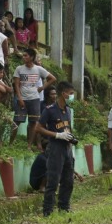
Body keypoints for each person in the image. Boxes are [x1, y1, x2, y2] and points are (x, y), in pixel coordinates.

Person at [35, 81, 76, 217]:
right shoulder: (50, 110)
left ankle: (64, 206)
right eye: (70, 94)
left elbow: (67, 127)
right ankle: (48, 210)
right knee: (53, 180)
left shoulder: (68, 110)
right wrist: (57, 135)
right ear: (63, 93)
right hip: (55, 147)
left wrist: (70, 137)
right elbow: (38, 128)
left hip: (67, 148)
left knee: (68, 180)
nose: (72, 96)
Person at [13, 48, 57, 152]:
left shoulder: (38, 69)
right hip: (22, 98)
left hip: (35, 99)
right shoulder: (19, 69)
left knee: (33, 122)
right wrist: (19, 97)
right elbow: (16, 85)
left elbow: (52, 78)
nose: (24, 57)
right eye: (23, 55)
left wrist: (42, 87)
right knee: (17, 121)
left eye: (26, 55)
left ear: (32, 57)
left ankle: (29, 145)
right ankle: (11, 142)